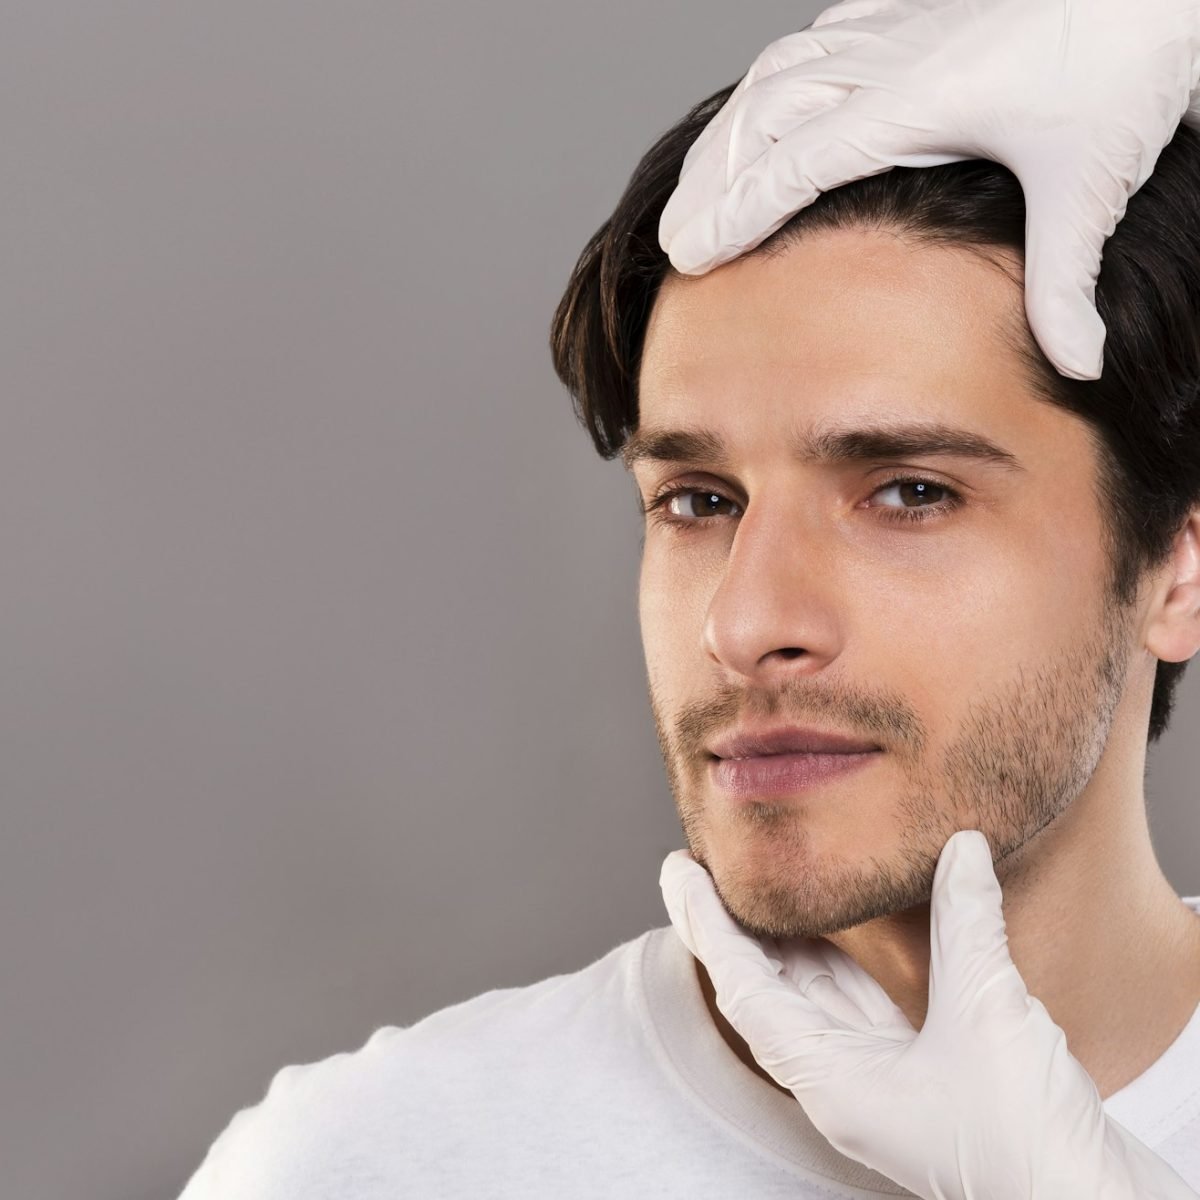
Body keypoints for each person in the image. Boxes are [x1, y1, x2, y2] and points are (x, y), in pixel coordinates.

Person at [177, 32, 1200, 1200]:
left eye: (909, 493)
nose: (746, 620)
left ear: (1177, 565)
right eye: (698, 501)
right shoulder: (368, 1165)